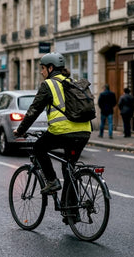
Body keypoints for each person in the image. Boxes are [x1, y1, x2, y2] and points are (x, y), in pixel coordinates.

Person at [13, 52, 91, 201]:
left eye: (42, 68)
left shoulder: (48, 85)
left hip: (62, 131)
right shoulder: (72, 82)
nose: (41, 72)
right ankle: (71, 211)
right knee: (69, 167)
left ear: (50, 68)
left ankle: (52, 181)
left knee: (38, 148)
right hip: (84, 131)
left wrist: (20, 130)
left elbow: (34, 110)